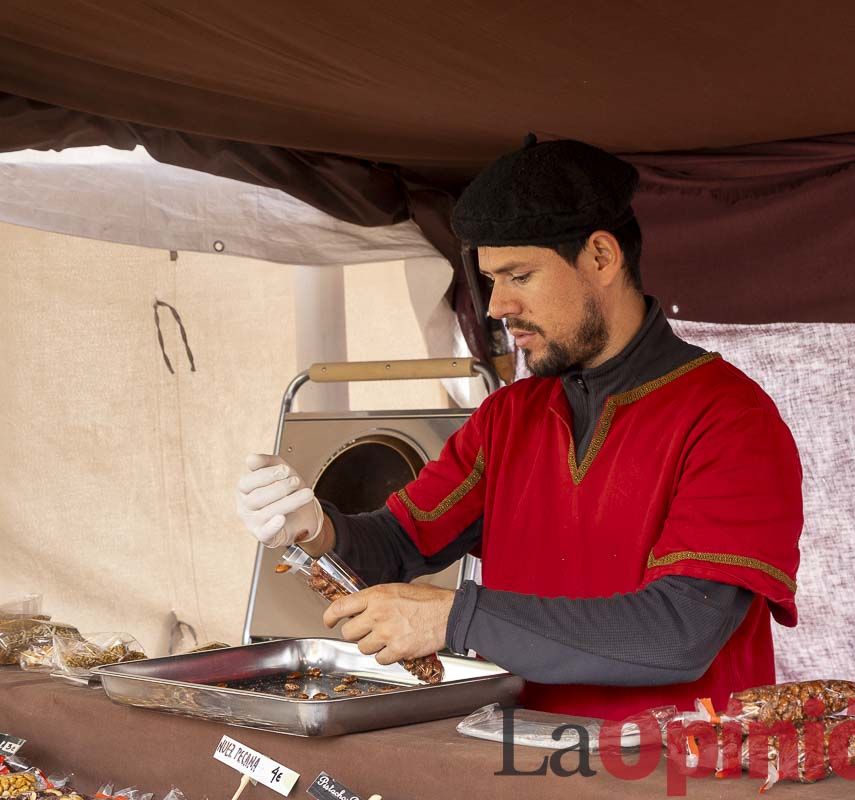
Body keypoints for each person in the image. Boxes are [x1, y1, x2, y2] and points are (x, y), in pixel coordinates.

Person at [235, 137, 804, 721]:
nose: (495, 306)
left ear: (602, 258)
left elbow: (680, 633)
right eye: (489, 280)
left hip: (676, 775)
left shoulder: (731, 419)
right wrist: (315, 529)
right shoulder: (507, 418)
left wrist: (455, 617)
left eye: (519, 275)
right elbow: (398, 544)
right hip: (524, 763)